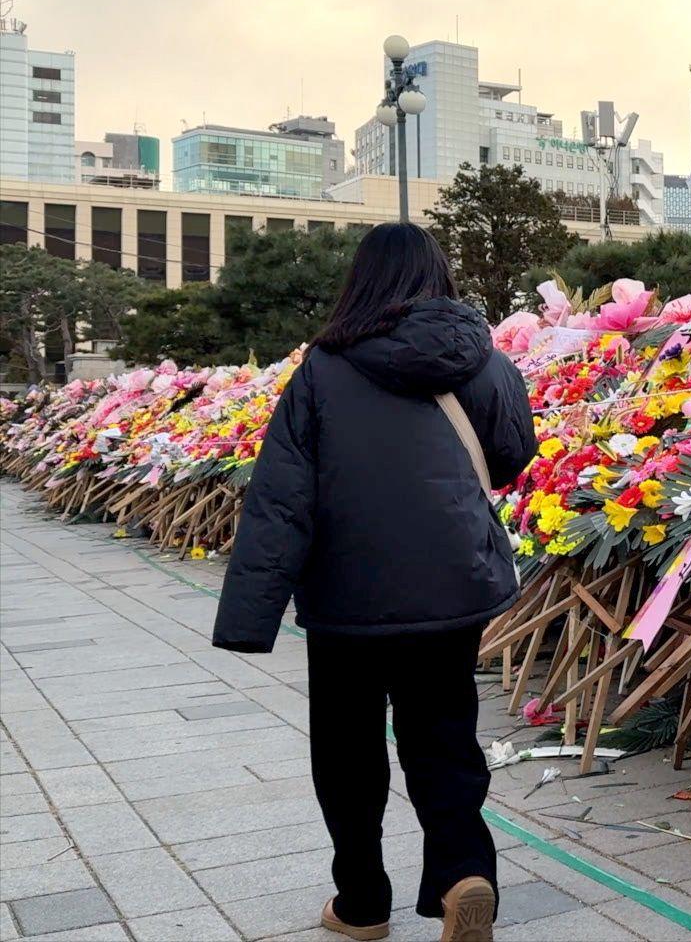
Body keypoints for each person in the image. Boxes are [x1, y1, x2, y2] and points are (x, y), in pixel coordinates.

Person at [213, 222, 536, 942]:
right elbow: (513, 453)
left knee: (348, 751)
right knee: (444, 738)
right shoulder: (483, 362)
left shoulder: (323, 371)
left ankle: (362, 904)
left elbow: (281, 499)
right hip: (452, 586)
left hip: (346, 600)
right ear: (438, 276)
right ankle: (462, 875)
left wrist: (249, 617)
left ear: (361, 281)